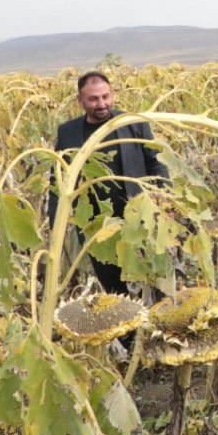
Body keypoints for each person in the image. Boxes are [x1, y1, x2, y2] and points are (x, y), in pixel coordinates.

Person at [48, 71, 168, 295]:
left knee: (152, 282)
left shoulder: (133, 123)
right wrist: (57, 221)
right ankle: (127, 331)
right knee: (114, 289)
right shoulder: (68, 132)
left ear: (113, 94)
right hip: (97, 227)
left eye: (105, 96)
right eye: (93, 99)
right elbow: (58, 179)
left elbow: (157, 163)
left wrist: (166, 199)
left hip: (139, 219)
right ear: (80, 100)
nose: (101, 104)